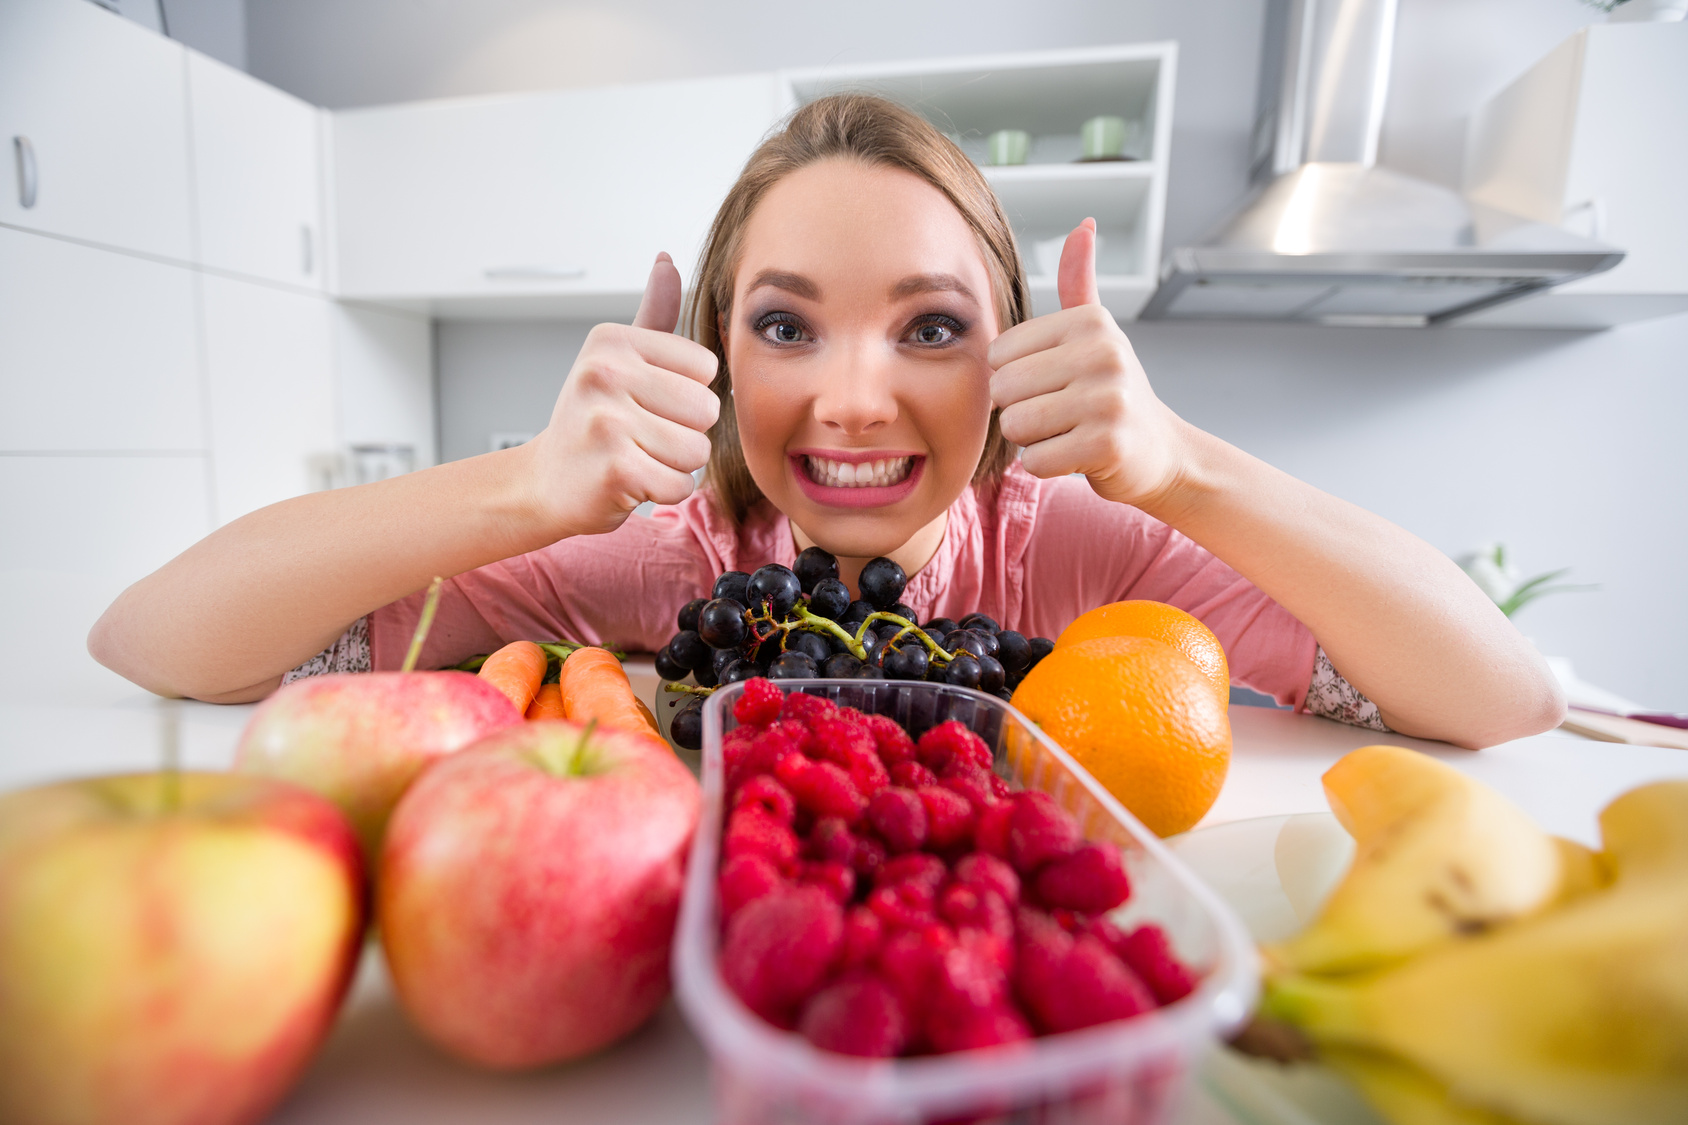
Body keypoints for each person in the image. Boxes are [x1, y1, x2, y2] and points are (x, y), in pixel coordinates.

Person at [89, 95, 1564, 749]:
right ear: (715, 350)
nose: (854, 396)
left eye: (930, 327)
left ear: (1012, 349)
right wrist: (525, 491)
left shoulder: (1069, 546)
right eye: (787, 324)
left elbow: (1503, 695)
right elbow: (159, 641)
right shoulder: (654, 555)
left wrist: (1185, 467)